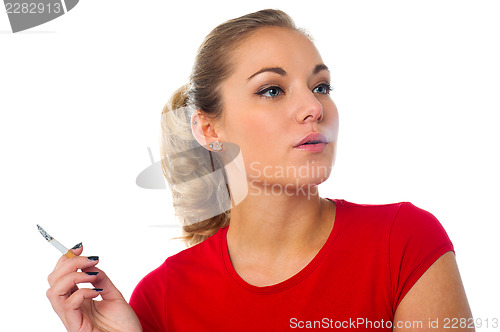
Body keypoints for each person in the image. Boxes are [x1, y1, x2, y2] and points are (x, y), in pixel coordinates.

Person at [45, 9, 474, 331]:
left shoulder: (404, 243)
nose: (313, 107)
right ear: (208, 127)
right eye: (272, 90)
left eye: (321, 86)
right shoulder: (160, 300)